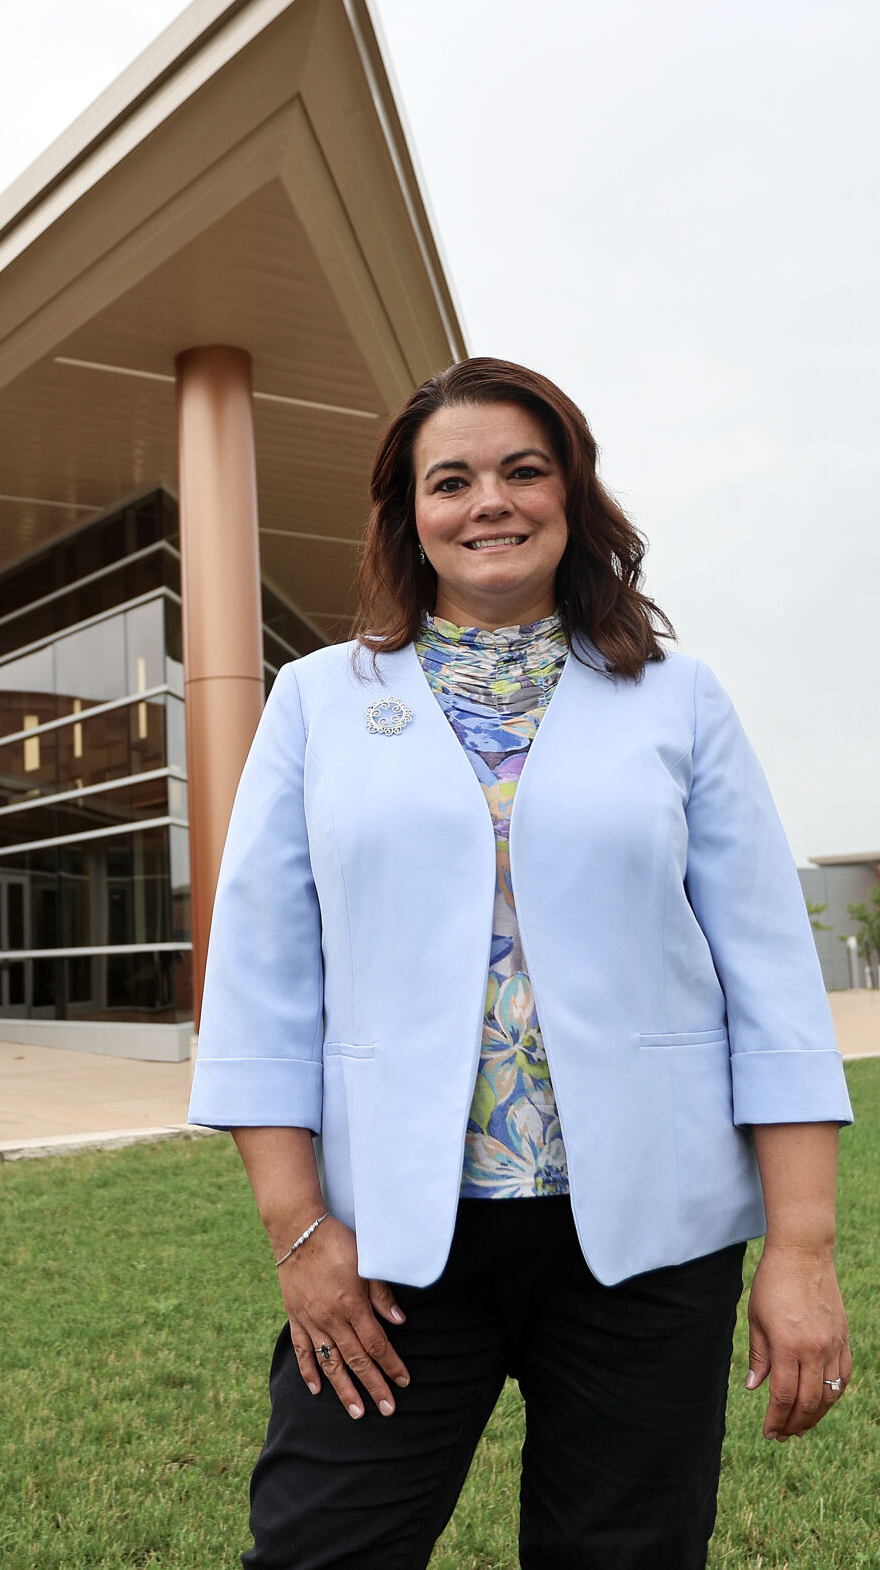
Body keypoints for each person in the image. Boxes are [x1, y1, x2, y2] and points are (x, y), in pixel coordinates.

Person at [188, 357, 852, 1570]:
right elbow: (260, 983)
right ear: (409, 515)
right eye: (451, 479)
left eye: (520, 470)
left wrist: (798, 1249)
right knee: (315, 1549)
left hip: (648, 1240)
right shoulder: (314, 702)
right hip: (386, 1244)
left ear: (569, 495)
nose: (487, 499)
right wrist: (299, 1233)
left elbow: (769, 981)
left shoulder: (676, 700)